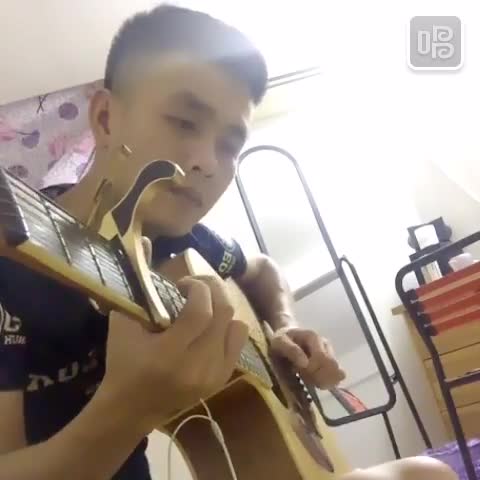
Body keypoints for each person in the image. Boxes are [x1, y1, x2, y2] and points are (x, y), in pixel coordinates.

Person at [0, 5, 456, 480]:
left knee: (429, 473)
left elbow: (262, 271)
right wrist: (129, 410)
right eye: (184, 121)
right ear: (106, 118)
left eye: (230, 144)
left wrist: (284, 326)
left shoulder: (182, 241)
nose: (207, 162)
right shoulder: (12, 267)